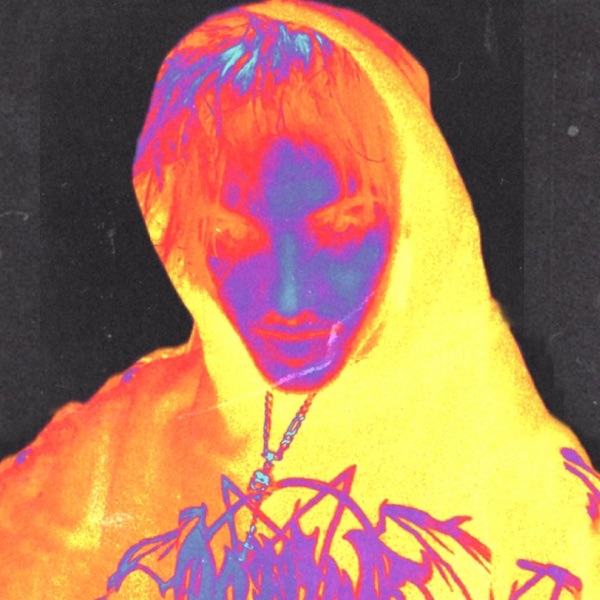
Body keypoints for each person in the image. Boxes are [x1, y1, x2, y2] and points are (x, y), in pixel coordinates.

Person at [1, 1, 599, 598]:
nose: (287, 301)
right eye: (233, 237)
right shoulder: (115, 446)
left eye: (341, 230)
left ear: (414, 223)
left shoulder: (530, 490)